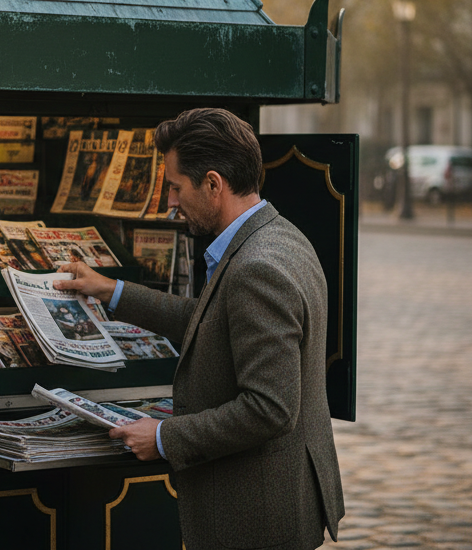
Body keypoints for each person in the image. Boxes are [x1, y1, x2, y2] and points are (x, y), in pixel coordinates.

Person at [54, 108, 344, 550]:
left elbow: (270, 408)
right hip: (278, 499)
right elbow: (212, 323)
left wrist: (164, 437)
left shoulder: (256, 268)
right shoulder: (281, 235)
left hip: (255, 516)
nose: (171, 201)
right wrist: (112, 290)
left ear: (213, 184)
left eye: (175, 187)